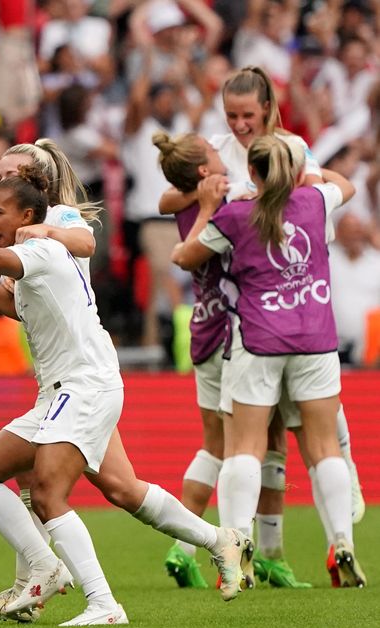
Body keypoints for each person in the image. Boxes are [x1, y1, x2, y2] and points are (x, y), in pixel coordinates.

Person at [0, 166, 251, 628]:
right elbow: (3, 304)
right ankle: (217, 541)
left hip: (84, 385)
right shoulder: (34, 249)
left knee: (49, 490)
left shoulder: (49, 241)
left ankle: (100, 603)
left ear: (29, 206)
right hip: (60, 392)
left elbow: (18, 260)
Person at [160, 65, 365, 585]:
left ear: (268, 110)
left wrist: (223, 204)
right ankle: (334, 535)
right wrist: (287, 191)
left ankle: (241, 552)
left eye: (247, 115)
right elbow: (338, 187)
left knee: (240, 445)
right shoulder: (300, 186)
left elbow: (183, 254)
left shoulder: (236, 209)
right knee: (314, 441)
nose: (239, 124)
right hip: (308, 324)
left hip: (252, 331)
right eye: (232, 115)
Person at [0, 138, 99, 622]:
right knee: (17, 478)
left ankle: (217, 539)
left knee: (107, 491)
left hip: (84, 373)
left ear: (33, 184)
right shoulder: (3, 226)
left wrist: (30, 240)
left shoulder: (59, 218)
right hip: (56, 378)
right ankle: (30, 588)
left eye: (9, 173)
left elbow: (86, 243)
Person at [153, 131, 233, 589]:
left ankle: (184, 550)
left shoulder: (181, 199)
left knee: (214, 445)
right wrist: (207, 204)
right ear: (203, 170)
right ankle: (245, 550)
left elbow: (167, 199)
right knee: (250, 445)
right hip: (236, 330)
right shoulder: (217, 203)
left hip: (204, 324)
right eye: (214, 152)